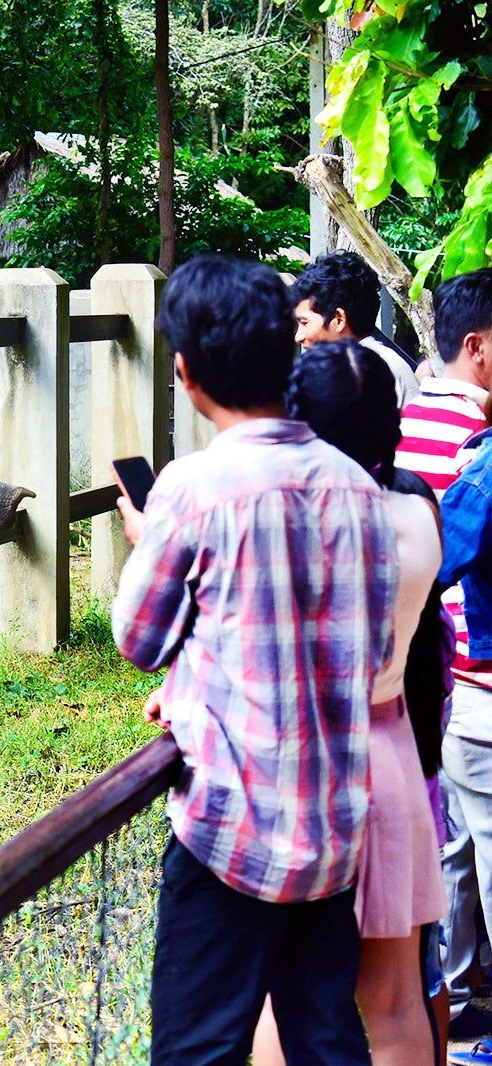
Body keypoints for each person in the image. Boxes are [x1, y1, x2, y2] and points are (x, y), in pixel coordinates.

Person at [112, 255, 398, 1065]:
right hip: (335, 835)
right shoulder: (358, 487)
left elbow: (140, 641)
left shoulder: (195, 490)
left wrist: (150, 551)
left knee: (200, 1050)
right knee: (329, 1044)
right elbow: (370, 656)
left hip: (227, 836)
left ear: (186, 370)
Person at [251, 340, 449, 1066]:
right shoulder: (417, 513)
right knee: (396, 1001)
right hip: (391, 758)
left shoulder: (286, 524)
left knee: (284, 993)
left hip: (300, 767)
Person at [393, 268, 492, 1046]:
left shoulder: (408, 413)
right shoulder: (478, 439)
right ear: (478, 346)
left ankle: (457, 997)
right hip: (469, 660)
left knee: (453, 848)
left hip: (435, 666)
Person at [292, 250, 420, 407]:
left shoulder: (371, 371)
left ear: (339, 319)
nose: (298, 337)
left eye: (305, 323)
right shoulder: (383, 364)